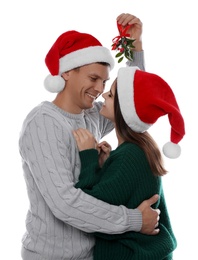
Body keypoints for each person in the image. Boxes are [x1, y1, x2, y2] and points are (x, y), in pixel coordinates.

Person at [19, 14, 160, 260]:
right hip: (50, 256)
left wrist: (135, 47)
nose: (99, 89)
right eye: (93, 78)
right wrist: (135, 220)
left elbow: (130, 100)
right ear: (66, 73)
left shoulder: (91, 116)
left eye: (104, 81)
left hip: (92, 253)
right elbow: (65, 203)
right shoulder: (42, 123)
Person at [73, 66, 185, 259]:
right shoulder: (139, 148)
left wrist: (88, 156)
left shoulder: (131, 155)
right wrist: (106, 166)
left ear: (124, 108)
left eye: (111, 94)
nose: (104, 95)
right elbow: (122, 196)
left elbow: (89, 210)